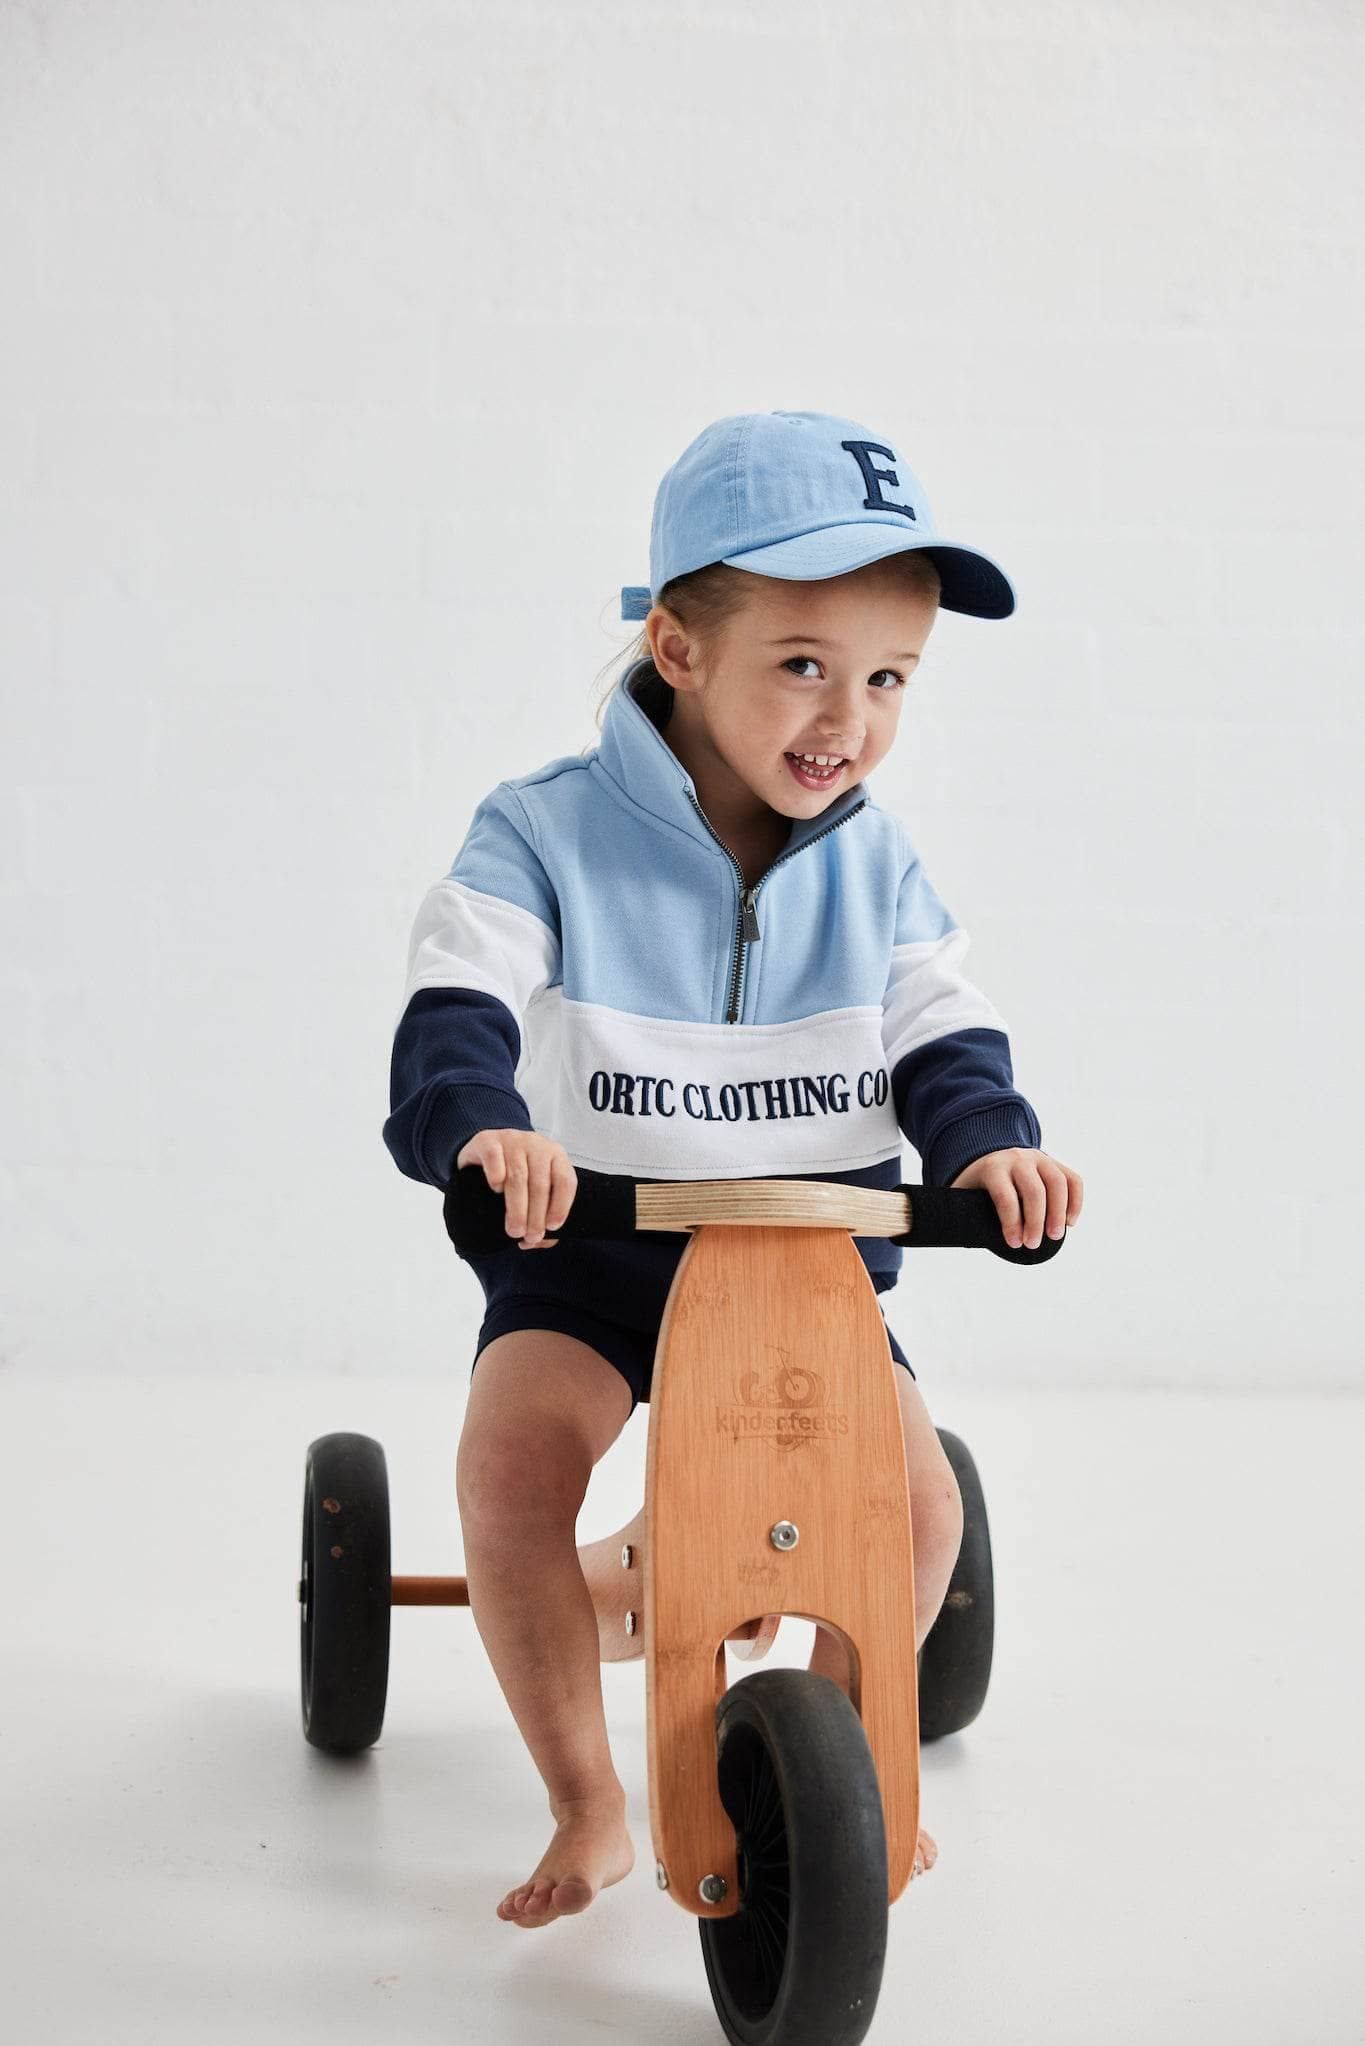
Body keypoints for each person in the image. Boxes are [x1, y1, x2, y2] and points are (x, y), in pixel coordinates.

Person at [383, 409, 1084, 1929]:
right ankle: (588, 1798)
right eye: (806, 662)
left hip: (804, 1259)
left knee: (917, 1518)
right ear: (681, 646)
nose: (851, 715)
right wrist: (482, 1125)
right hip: (595, 1248)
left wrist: (992, 1148)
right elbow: (460, 1003)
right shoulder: (546, 833)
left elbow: (942, 1029)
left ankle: (848, 1761)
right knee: (509, 1471)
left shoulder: (878, 864)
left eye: (890, 676)